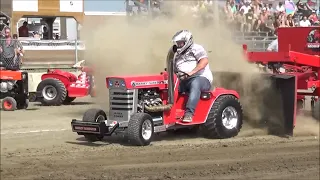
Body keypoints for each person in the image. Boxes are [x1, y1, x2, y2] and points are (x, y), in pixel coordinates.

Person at [172, 30, 213, 123]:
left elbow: (204, 61)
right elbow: (175, 70)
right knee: (170, 87)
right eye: (177, 43)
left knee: (195, 83)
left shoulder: (196, 48)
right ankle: (169, 112)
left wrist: (191, 72)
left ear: (187, 41)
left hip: (201, 78)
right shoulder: (176, 55)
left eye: (180, 43)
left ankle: (189, 113)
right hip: (183, 80)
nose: (178, 45)